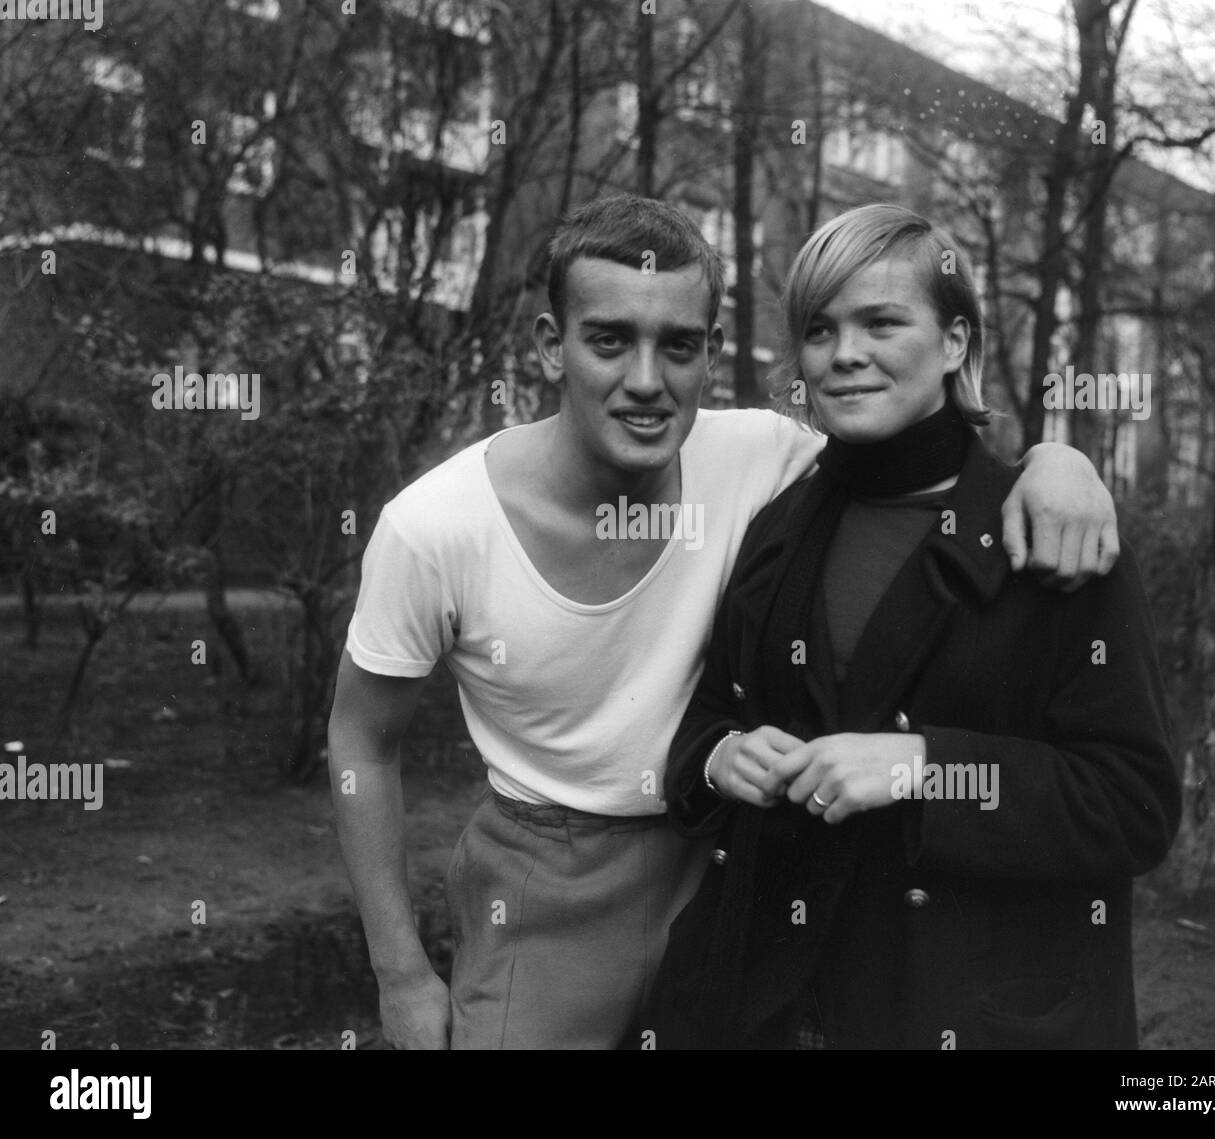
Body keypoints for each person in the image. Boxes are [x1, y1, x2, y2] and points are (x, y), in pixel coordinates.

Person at [328, 194, 1123, 1050]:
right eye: (608, 339)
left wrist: (1055, 461)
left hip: (728, 865)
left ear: (711, 352)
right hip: (547, 879)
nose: (645, 379)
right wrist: (401, 971)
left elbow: (914, 450)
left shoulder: (762, 457)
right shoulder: (436, 525)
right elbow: (362, 743)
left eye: (678, 346)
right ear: (549, 346)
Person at [642, 203, 1182, 1050]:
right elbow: (704, 723)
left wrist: (927, 768)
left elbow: (1133, 802)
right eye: (820, 330)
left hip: (961, 1010)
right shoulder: (779, 522)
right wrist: (720, 756)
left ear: (957, 342)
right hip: (768, 1003)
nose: (844, 354)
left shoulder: (1050, 528)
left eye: (881, 322)